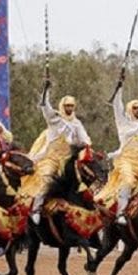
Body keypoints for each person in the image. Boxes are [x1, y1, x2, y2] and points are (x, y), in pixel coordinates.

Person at [20, 84, 91, 224]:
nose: (69, 109)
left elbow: (86, 139)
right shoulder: (55, 120)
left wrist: (83, 143)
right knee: (46, 178)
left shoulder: (77, 124)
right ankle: (36, 209)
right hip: (51, 158)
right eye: (67, 106)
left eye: (72, 106)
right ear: (62, 106)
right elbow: (45, 106)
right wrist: (46, 90)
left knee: (87, 179)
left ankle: (90, 211)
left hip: (68, 160)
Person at [96, 85, 138, 225]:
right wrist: (120, 88)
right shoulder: (123, 122)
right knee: (128, 181)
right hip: (126, 161)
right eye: (135, 108)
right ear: (129, 109)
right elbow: (117, 105)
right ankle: (121, 212)